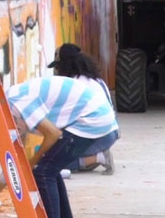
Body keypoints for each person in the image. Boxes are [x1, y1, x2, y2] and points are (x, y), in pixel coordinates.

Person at [0, 73, 119, 218]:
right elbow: (12, 168)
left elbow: (53, 134)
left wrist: (33, 162)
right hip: (94, 120)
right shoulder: (9, 116)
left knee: (43, 171)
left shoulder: (15, 103)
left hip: (93, 120)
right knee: (49, 169)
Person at [49, 43, 117, 174]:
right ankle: (90, 158)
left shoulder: (73, 85)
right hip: (111, 132)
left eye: (57, 66)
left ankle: (99, 157)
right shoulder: (96, 80)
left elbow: (61, 122)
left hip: (98, 135)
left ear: (65, 65)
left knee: (52, 163)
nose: (56, 71)